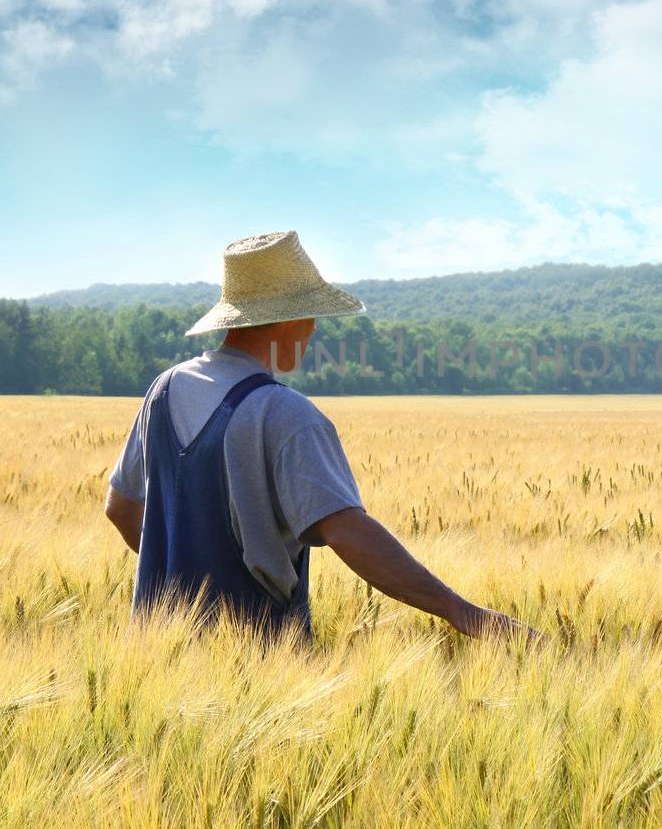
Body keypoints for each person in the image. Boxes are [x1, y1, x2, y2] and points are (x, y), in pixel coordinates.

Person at [104, 229, 527, 641]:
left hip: (156, 647)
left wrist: (185, 579)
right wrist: (460, 611)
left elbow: (120, 509)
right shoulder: (284, 413)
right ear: (292, 320)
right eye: (313, 318)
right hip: (262, 663)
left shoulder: (163, 389)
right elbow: (348, 533)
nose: (314, 330)